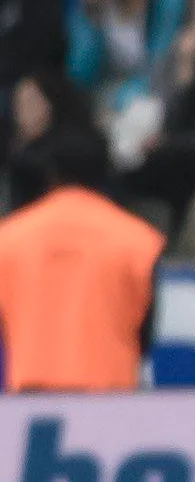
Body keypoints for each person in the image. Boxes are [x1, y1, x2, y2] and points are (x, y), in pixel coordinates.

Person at [0, 142, 161, 389]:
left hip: (32, 395)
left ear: (51, 174)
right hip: (110, 395)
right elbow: (146, 335)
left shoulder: (9, 238)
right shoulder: (139, 240)